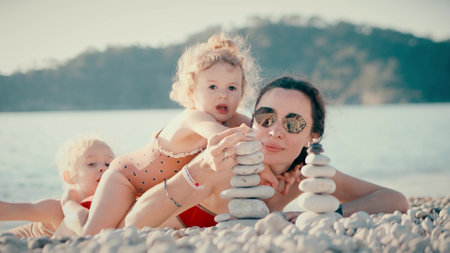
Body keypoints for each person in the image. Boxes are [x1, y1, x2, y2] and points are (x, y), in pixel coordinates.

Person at [124, 76, 409, 229]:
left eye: (294, 122)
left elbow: (394, 199)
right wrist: (201, 169)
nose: (275, 131)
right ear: (253, 120)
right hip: (117, 207)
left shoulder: (304, 174)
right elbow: (132, 222)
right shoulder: (226, 162)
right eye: (266, 117)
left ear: (313, 135)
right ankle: (74, 203)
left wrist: (331, 212)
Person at [78, 32, 261, 235]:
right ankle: (69, 210)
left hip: (156, 194)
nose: (223, 94)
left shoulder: (232, 119)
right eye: (212, 86)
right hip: (125, 178)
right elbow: (224, 138)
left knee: (122, 233)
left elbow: (259, 134)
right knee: (92, 235)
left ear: (242, 92)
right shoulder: (194, 117)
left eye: (232, 88)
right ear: (192, 91)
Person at [0, 136, 114, 237]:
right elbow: (10, 210)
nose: (103, 168)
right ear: (70, 177)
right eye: (91, 164)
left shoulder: (115, 204)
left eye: (108, 164)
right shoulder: (56, 208)